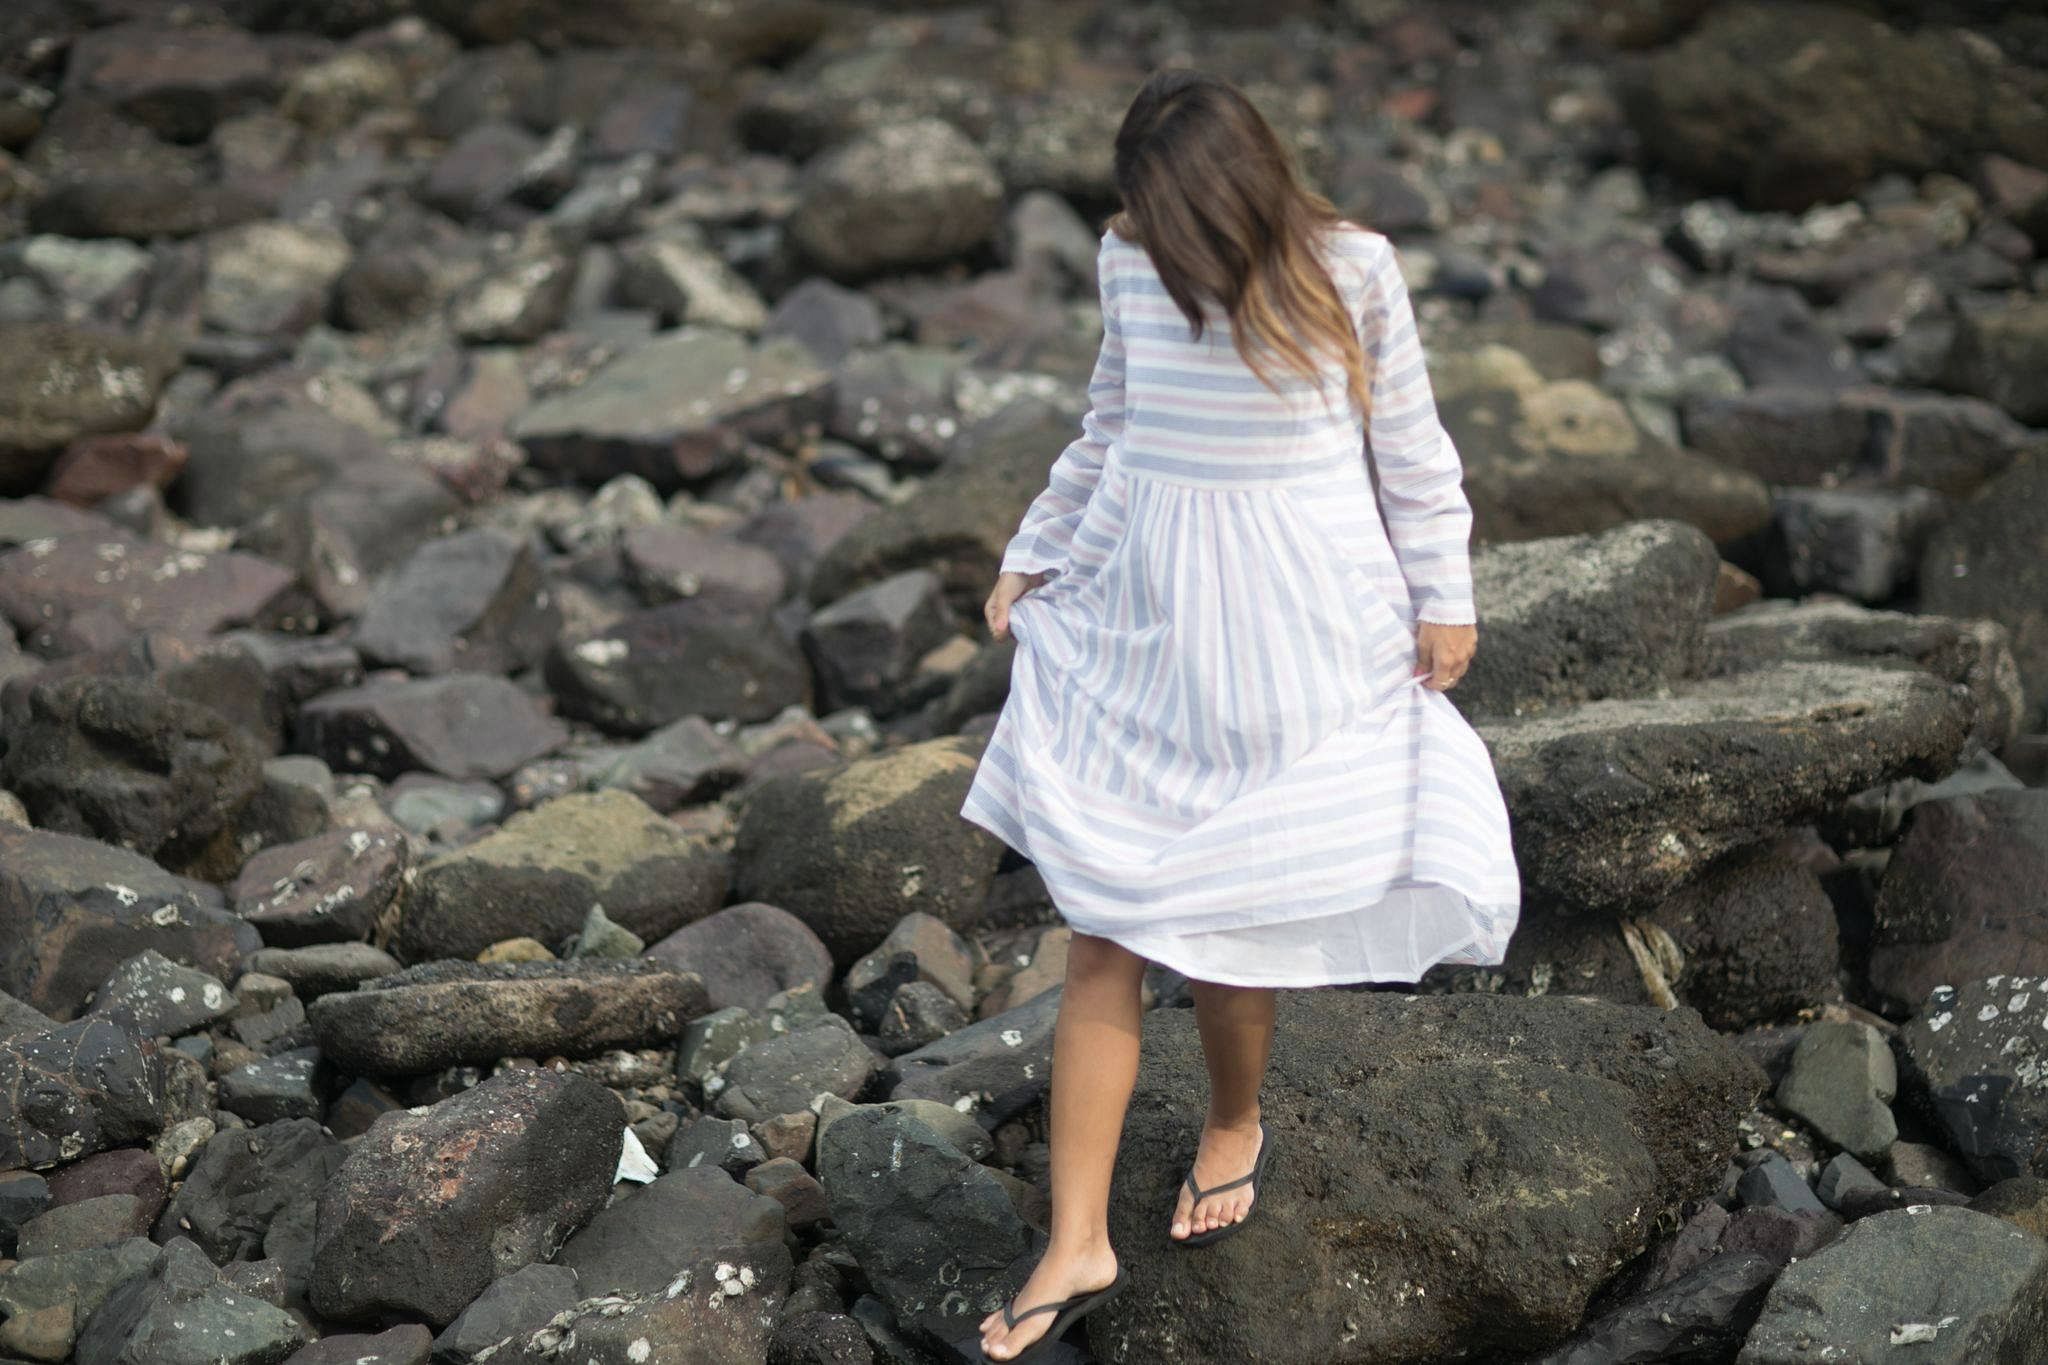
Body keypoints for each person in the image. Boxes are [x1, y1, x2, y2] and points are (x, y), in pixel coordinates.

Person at [957, 66, 1522, 1364]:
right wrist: (1035, 549)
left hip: (1298, 631)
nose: (1152, 235)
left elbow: (1416, 447)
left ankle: (1232, 1119)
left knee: (1226, 930)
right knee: (1102, 929)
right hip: (1149, 619)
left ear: (1231, 192)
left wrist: (1447, 593)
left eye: (1169, 212)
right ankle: (1075, 1236)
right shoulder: (1127, 265)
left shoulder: (1350, 270)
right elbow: (1108, 427)